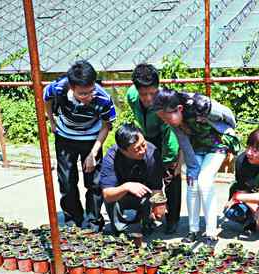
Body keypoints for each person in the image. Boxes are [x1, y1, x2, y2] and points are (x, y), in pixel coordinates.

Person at [151, 88, 239, 245]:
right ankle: (193, 230)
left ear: (179, 109)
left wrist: (232, 136)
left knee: (205, 181)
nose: (166, 121)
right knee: (192, 182)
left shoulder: (200, 104)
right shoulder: (173, 120)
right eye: (162, 118)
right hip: (196, 146)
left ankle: (211, 232)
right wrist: (192, 168)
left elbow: (228, 115)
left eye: (166, 117)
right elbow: (183, 141)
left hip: (217, 143)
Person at [43, 60, 116, 231]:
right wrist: (51, 121)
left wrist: (93, 153)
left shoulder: (103, 98)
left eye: (91, 91)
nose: (88, 97)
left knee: (95, 183)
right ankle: (73, 220)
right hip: (65, 137)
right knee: (66, 181)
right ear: (72, 87)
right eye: (83, 94)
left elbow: (106, 126)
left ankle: (93, 222)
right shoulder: (59, 88)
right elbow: (45, 97)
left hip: (91, 139)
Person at [126, 64, 182, 234]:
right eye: (144, 94)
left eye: (152, 93)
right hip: (146, 136)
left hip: (166, 135)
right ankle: (147, 215)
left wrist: (171, 161)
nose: (149, 98)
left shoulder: (165, 102)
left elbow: (171, 134)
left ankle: (172, 218)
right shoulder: (131, 96)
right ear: (137, 90)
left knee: (171, 177)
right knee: (145, 175)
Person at [99, 124, 165, 234]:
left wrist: (159, 204)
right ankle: (119, 228)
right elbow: (107, 195)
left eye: (143, 144)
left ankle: (146, 223)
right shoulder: (111, 157)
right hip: (120, 195)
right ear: (123, 150)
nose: (143, 150)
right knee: (112, 202)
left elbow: (156, 187)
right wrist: (127, 186)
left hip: (144, 195)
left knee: (149, 205)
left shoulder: (152, 152)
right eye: (137, 149)